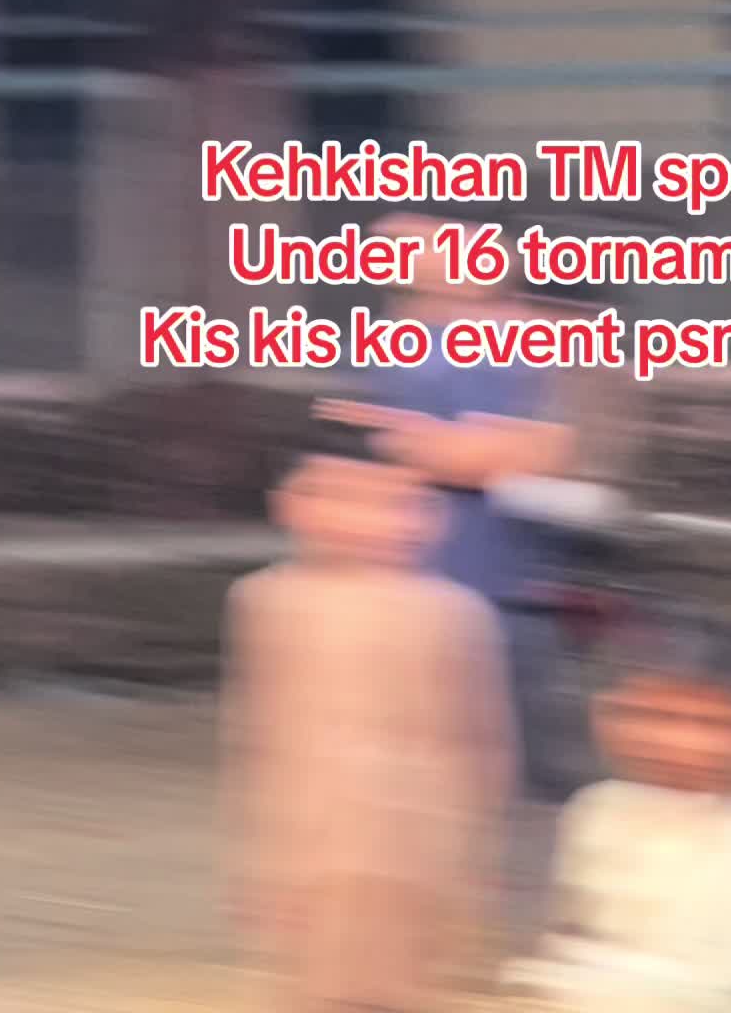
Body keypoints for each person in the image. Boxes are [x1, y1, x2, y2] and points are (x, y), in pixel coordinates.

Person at [219, 416, 516, 1013]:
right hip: (311, 835)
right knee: (316, 986)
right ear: (292, 505)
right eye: (342, 498)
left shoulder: (451, 613)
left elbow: (482, 741)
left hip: (417, 836)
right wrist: (260, 859)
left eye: (395, 503)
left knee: (402, 983)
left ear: (430, 517)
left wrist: (474, 857)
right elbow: (257, 735)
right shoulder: (268, 601)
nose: (369, 521)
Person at [316, 214, 589, 806]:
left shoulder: (516, 342)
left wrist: (413, 445)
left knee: (518, 752)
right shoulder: (403, 343)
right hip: (423, 579)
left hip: (503, 580)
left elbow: (538, 451)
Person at [501, 622, 731, 1013]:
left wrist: (560, 978)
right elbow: (570, 939)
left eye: (711, 724)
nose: (677, 741)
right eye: (652, 715)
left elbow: (725, 990)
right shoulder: (599, 810)